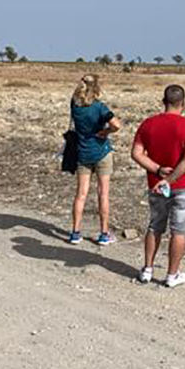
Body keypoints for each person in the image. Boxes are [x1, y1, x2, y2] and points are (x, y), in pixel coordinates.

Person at [130, 85, 185, 287]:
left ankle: (147, 269)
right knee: (178, 231)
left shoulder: (148, 124)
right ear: (183, 104)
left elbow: (136, 153)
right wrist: (170, 179)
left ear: (163, 102)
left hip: (155, 184)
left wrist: (157, 170)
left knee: (155, 226)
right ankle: (172, 275)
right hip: (182, 185)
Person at [67, 74, 121, 245]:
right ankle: (104, 233)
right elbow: (116, 125)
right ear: (97, 88)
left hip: (83, 152)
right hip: (101, 152)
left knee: (81, 194)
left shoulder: (75, 106)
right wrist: (106, 132)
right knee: (103, 193)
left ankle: (75, 232)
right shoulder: (99, 107)